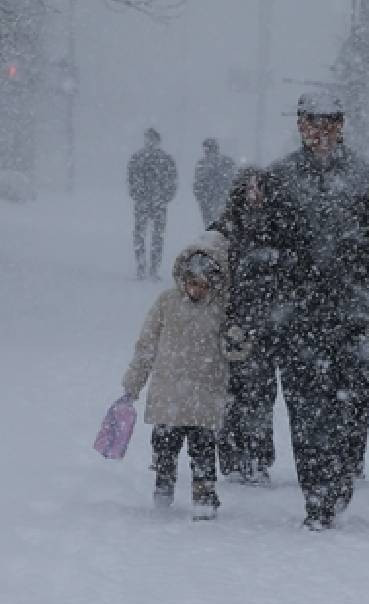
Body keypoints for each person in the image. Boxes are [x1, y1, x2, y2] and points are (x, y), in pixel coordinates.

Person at [229, 90, 369, 530]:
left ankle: (341, 478)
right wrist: (262, 303)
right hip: (300, 318)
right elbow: (260, 248)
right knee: (306, 409)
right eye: (312, 123)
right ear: (299, 125)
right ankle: (317, 494)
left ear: (342, 125)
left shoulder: (366, 174)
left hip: (357, 315)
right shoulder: (279, 177)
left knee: (352, 409)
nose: (321, 132)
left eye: (329, 123)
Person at [121, 237, 232, 520]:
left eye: (205, 285)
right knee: (164, 446)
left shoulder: (222, 308)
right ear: (183, 278)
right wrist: (133, 383)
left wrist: (237, 342)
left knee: (204, 451)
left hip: (205, 393)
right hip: (169, 392)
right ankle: (163, 487)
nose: (197, 290)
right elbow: (146, 345)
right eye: (193, 283)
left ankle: (205, 495)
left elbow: (236, 349)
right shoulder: (167, 303)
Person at [210, 167, 280, 487]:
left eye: (260, 188)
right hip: (229, 323)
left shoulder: (279, 227)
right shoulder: (224, 229)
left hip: (265, 324)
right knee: (229, 393)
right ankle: (231, 457)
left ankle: (259, 456)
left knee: (262, 394)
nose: (255, 194)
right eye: (249, 188)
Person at [127, 128, 178, 280]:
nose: (149, 141)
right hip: (150, 202)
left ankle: (151, 268)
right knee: (147, 235)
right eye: (148, 138)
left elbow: (172, 181)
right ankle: (143, 267)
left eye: (151, 139)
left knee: (152, 236)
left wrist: (165, 197)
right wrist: (139, 195)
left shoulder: (142, 157)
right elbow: (132, 180)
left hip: (154, 203)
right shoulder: (143, 158)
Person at [193, 138, 237, 227]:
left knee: (224, 224)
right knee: (210, 226)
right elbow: (198, 183)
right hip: (207, 200)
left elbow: (233, 179)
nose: (209, 152)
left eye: (210, 149)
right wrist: (201, 197)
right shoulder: (201, 164)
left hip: (223, 199)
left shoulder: (227, 162)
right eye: (207, 149)